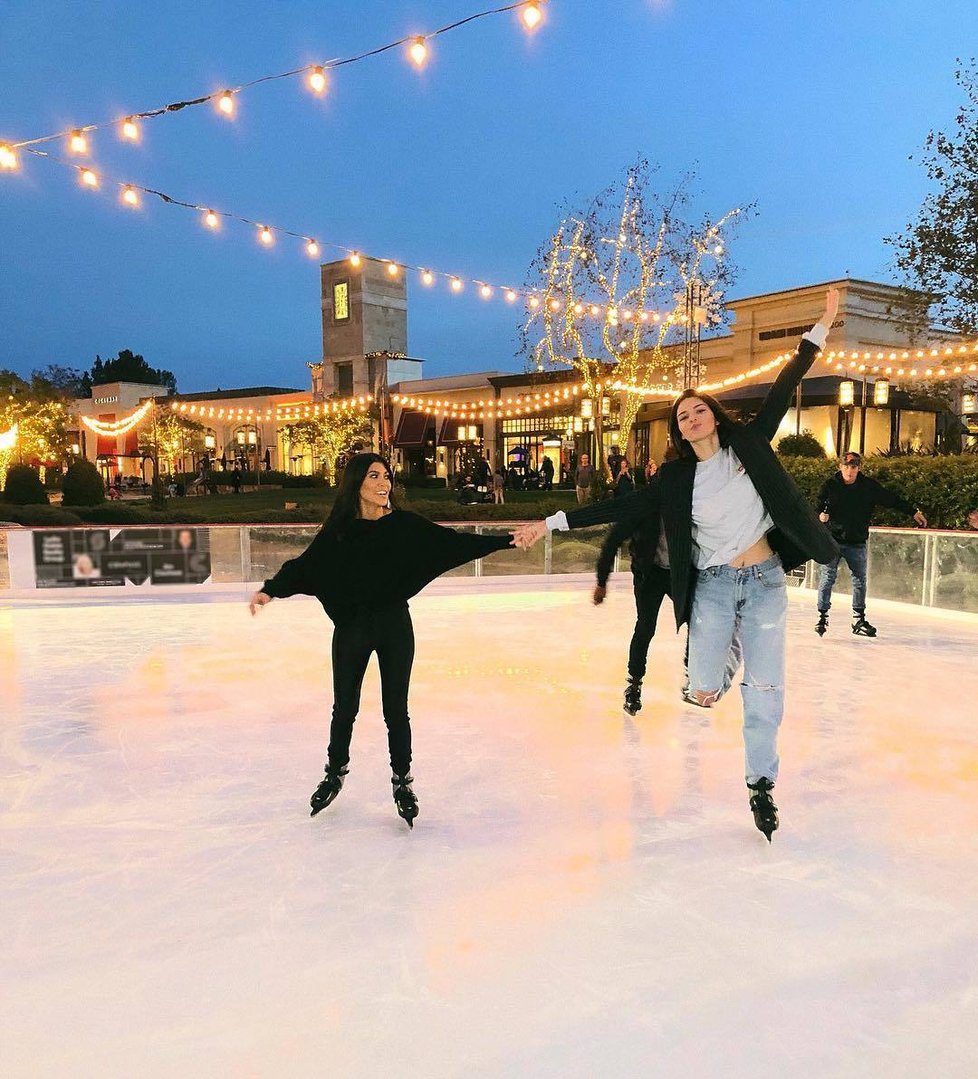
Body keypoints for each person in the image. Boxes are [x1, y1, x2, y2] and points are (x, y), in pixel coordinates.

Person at [516, 289, 841, 841]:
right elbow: (617, 507)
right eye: (681, 416)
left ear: (714, 415)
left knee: (765, 689)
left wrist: (823, 325)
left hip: (763, 583)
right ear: (679, 430)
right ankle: (720, 660)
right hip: (713, 586)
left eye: (698, 409)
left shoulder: (749, 447)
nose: (691, 418)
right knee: (702, 689)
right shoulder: (674, 480)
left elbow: (785, 386)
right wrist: (548, 523)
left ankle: (761, 783)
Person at [249, 453, 515, 828]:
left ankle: (402, 780)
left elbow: (453, 543)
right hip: (353, 630)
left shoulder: (404, 526)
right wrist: (270, 590)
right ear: (356, 483)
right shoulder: (339, 531)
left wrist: (507, 541)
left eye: (387, 476)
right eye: (374, 476)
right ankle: (334, 771)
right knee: (345, 708)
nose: (383, 483)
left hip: (393, 626)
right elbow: (306, 566)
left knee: (396, 710)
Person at [815, 451, 927, 637]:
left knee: (859, 579)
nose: (850, 471)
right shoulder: (829, 486)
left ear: (859, 468)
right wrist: (820, 516)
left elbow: (891, 499)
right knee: (828, 578)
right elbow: (817, 509)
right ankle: (822, 616)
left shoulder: (868, 487)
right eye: (846, 467)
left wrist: (913, 511)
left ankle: (858, 619)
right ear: (840, 467)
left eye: (854, 467)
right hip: (832, 540)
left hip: (856, 541)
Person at [593, 508, 671, 715]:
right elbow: (613, 541)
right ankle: (634, 683)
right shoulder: (644, 506)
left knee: (698, 619)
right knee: (645, 626)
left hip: (680, 574)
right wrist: (602, 581)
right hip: (650, 575)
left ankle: (695, 673)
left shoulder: (691, 499)